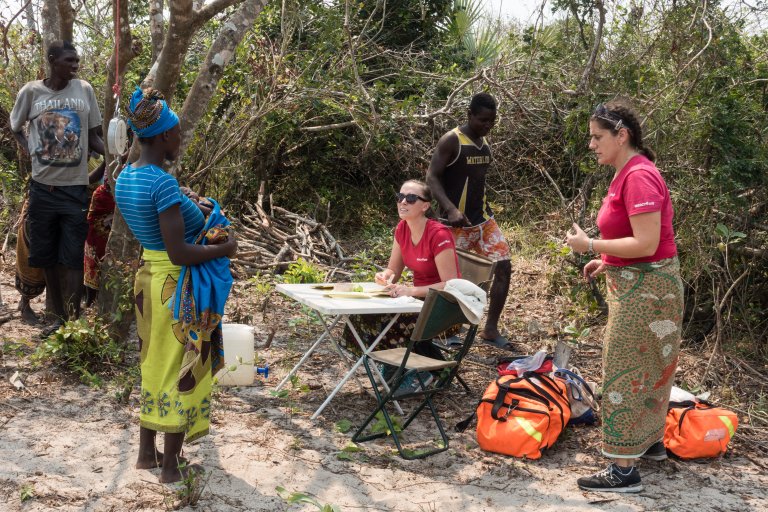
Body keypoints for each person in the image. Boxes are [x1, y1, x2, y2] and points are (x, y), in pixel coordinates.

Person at [114, 87, 237, 483]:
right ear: (164, 135)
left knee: (154, 364)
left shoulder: (126, 178)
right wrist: (225, 248)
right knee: (180, 367)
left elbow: (160, 228)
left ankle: (146, 455)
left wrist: (193, 205)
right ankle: (171, 467)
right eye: (178, 133)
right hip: (176, 283)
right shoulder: (161, 183)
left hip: (148, 279)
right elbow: (181, 252)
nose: (180, 140)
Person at [565, 100, 683, 493]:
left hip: (648, 295)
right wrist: (609, 260)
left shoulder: (638, 177)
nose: (592, 145)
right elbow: (639, 239)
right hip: (642, 286)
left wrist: (591, 245)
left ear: (622, 135)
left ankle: (622, 469)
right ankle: (649, 445)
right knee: (649, 369)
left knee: (624, 370)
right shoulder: (626, 173)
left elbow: (648, 241)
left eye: (598, 137)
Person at [10, 40, 104, 327]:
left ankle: (72, 321)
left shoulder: (84, 90)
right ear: (53, 60)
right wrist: (28, 148)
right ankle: (58, 317)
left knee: (73, 257)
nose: (75, 65)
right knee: (46, 255)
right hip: (42, 188)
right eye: (69, 60)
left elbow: (95, 136)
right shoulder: (31, 92)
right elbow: (15, 127)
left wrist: (116, 150)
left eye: (77, 61)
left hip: (75, 189)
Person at [426, 92, 512, 349]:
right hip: (455, 225)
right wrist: (450, 209)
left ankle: (491, 328)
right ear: (470, 115)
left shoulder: (484, 145)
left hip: (483, 221)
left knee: (504, 267)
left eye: (492, 121)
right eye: (483, 120)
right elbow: (431, 177)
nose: (487, 126)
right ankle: (447, 330)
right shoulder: (452, 140)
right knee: (453, 279)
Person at [343, 180, 460, 365]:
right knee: (360, 316)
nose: (403, 202)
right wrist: (385, 276)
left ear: (425, 206)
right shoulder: (402, 228)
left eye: (411, 198)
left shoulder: (439, 234)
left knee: (386, 322)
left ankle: (420, 372)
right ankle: (394, 370)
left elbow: (451, 284)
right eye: (400, 197)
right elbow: (394, 270)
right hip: (416, 302)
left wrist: (411, 290)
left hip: (443, 306)